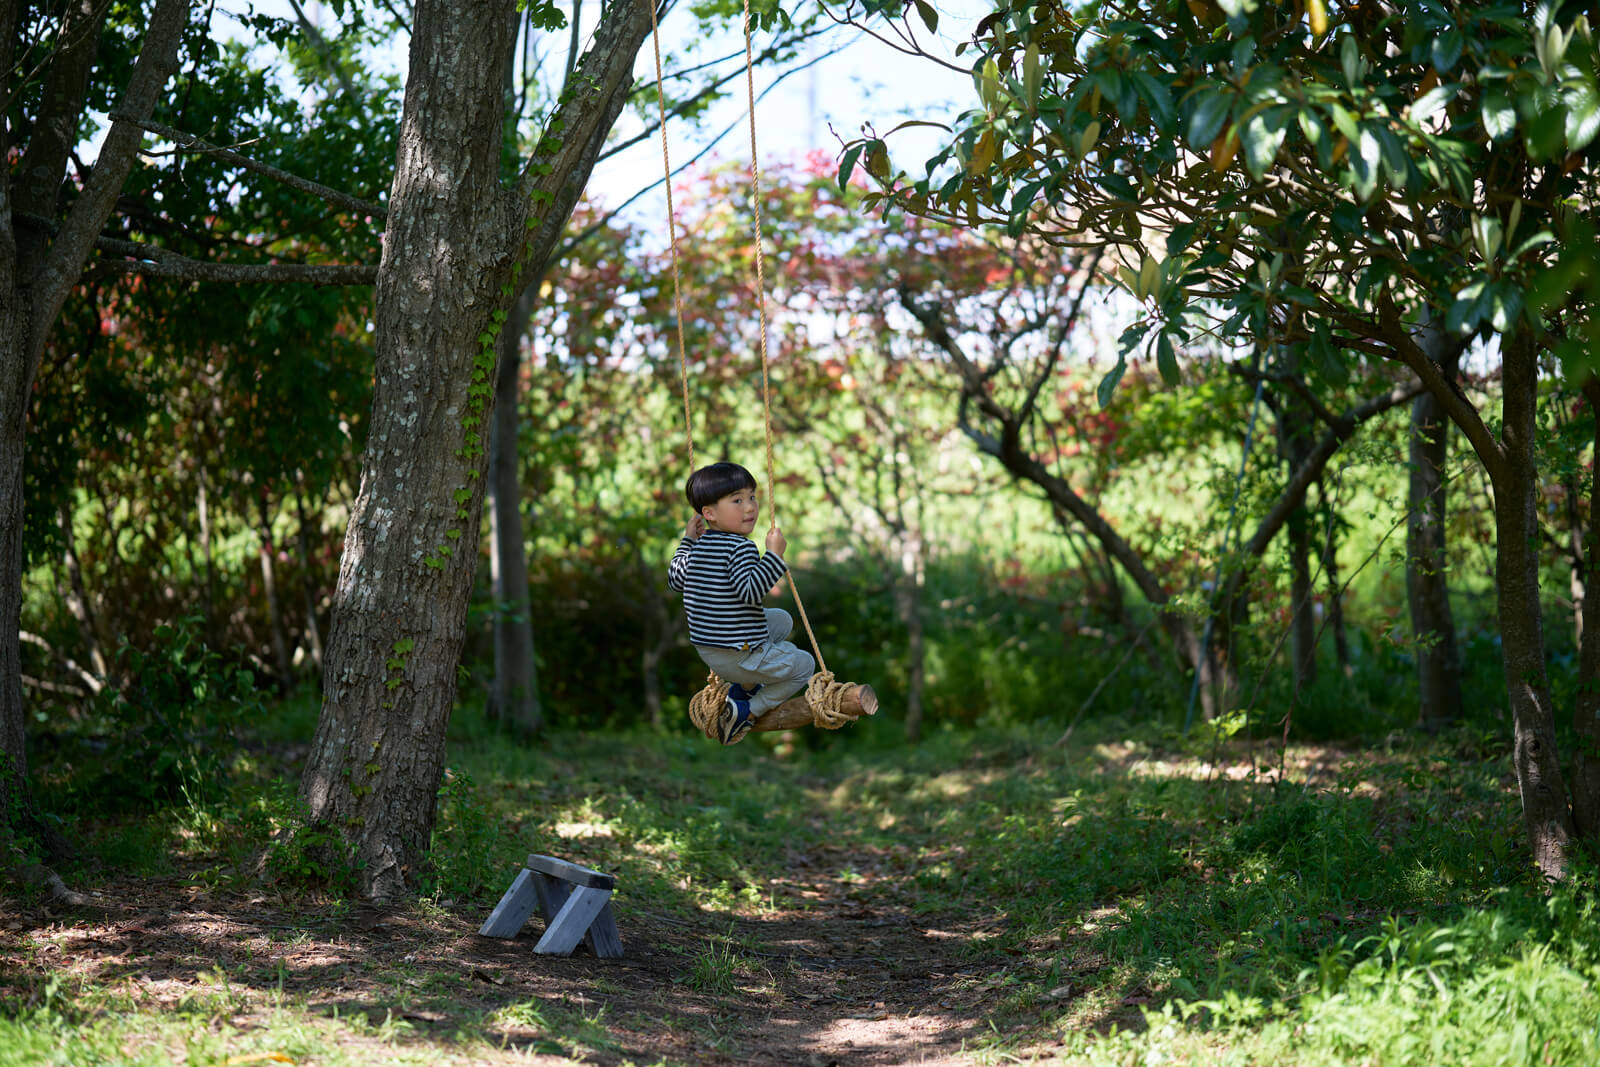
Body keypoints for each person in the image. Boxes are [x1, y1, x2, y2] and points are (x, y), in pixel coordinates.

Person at [667, 461, 815, 744]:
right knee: (804, 664)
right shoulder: (740, 547)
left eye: (751, 497)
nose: (750, 507)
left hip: (711, 651)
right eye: (737, 500)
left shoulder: (698, 547)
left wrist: (687, 540)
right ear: (709, 513)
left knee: (781, 620)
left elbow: (675, 579)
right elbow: (751, 592)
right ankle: (747, 710)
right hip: (738, 654)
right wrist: (774, 556)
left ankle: (745, 686)